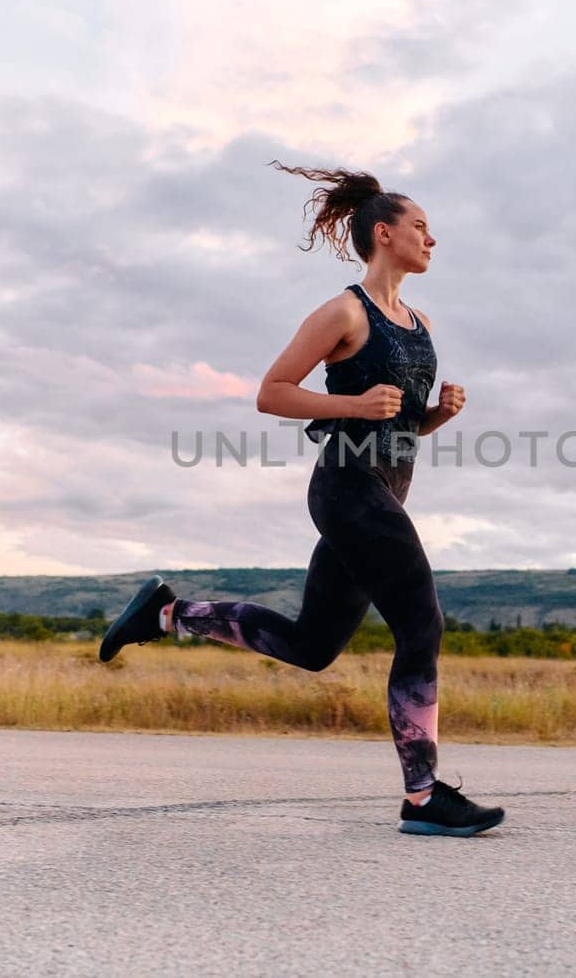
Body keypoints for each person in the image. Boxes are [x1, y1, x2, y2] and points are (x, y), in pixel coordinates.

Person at [100, 163, 505, 837]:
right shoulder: (345, 310)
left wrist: (436, 416)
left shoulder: (420, 321)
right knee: (422, 623)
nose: (433, 239)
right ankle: (424, 796)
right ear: (385, 232)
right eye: (422, 227)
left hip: (383, 490)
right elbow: (273, 389)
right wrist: (351, 401)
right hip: (346, 488)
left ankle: (167, 612)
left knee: (313, 644)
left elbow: (395, 422)